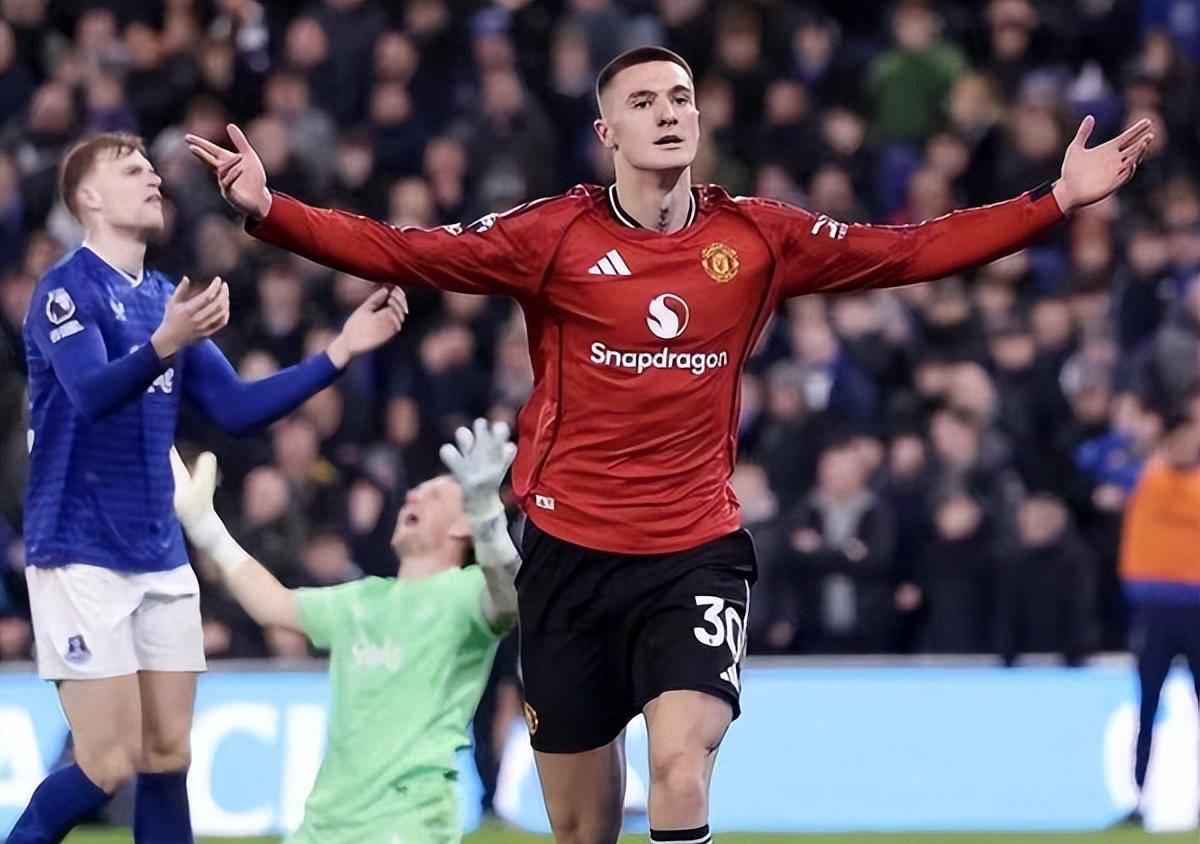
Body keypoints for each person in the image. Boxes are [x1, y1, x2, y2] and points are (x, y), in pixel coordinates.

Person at [186, 46, 1154, 843]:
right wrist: (271, 211)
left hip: (693, 551)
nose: (668, 113)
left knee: (682, 774)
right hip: (567, 557)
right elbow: (411, 250)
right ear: (607, 131)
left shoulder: (757, 237)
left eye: (682, 97)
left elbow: (904, 250)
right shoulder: (553, 234)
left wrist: (1053, 201)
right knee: (582, 829)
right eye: (644, 101)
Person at [8, 132, 407, 844]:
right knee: (107, 763)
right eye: (132, 169)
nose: (153, 178)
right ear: (89, 197)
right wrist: (165, 343)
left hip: (159, 554)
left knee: (169, 757)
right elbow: (91, 394)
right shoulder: (66, 291)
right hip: (78, 552)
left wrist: (341, 350)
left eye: (151, 168)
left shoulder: (165, 299)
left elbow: (236, 409)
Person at [168, 418, 519, 844]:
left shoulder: (467, 592)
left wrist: (487, 517)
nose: (412, 495)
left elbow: (509, 596)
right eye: (415, 491)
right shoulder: (361, 599)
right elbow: (271, 603)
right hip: (325, 821)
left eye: (434, 494)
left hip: (408, 817)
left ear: (462, 525)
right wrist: (204, 526)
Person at [1116, 393, 1200, 827]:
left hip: (1196, 610)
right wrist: (1136, 436)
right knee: (1147, 705)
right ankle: (1138, 800)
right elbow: (1090, 459)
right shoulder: (1145, 478)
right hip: (1154, 610)